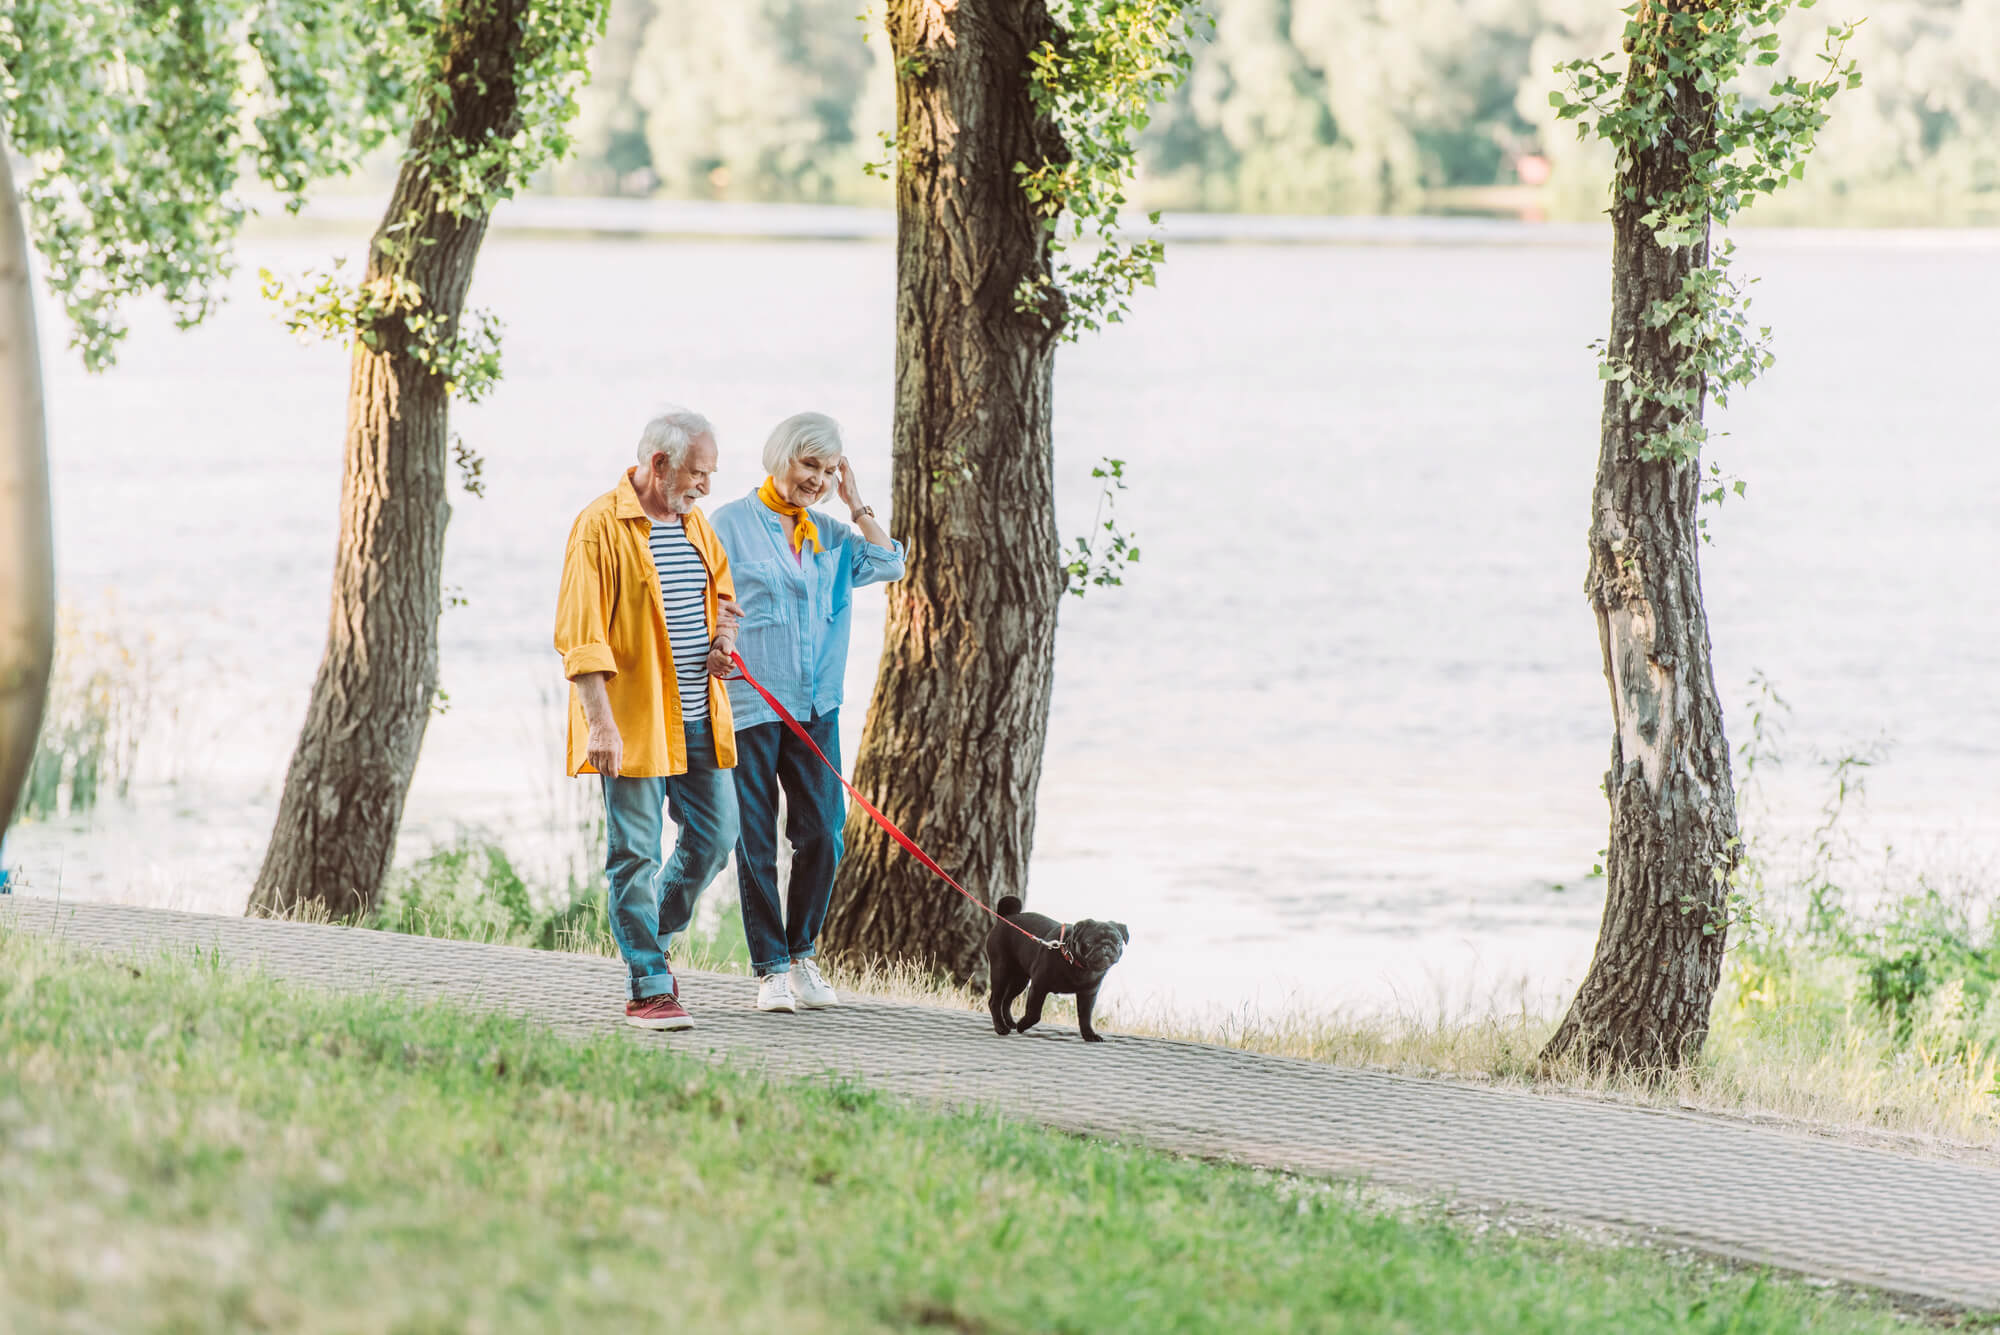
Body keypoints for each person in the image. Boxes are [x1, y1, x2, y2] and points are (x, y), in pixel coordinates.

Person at [554, 406, 743, 1031]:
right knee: (635, 852)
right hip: (632, 721)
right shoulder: (598, 527)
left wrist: (723, 639)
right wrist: (599, 724)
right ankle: (649, 984)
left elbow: (724, 595)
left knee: (715, 839)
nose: (705, 487)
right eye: (697, 473)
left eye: (710, 475)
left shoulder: (696, 523)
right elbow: (581, 636)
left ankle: (648, 939)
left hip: (698, 715)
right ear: (659, 465)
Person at [709, 412, 905, 1014]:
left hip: (817, 704)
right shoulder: (728, 525)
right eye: (808, 465)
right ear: (781, 459)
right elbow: (701, 596)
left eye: (827, 469)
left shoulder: (833, 533)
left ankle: (802, 955)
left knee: (824, 832)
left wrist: (856, 503)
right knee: (756, 839)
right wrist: (715, 645)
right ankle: (769, 968)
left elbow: (891, 563)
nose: (815, 479)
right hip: (749, 703)